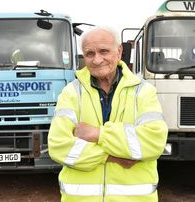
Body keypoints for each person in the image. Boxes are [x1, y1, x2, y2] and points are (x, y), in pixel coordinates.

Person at [48, 26, 168, 202]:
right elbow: (59, 147)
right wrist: (114, 156)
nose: (97, 60)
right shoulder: (71, 93)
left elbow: (153, 142)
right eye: (90, 54)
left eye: (104, 51)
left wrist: (97, 134)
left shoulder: (144, 92)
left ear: (119, 51)